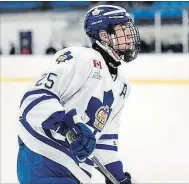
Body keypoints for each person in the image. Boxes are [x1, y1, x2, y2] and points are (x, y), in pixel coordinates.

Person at [17, 5, 140, 184]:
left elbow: (103, 142)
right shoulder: (81, 57)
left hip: (76, 172)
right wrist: (67, 126)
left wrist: (119, 178)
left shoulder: (122, 87)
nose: (129, 35)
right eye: (123, 30)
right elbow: (33, 99)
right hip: (43, 158)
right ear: (104, 36)